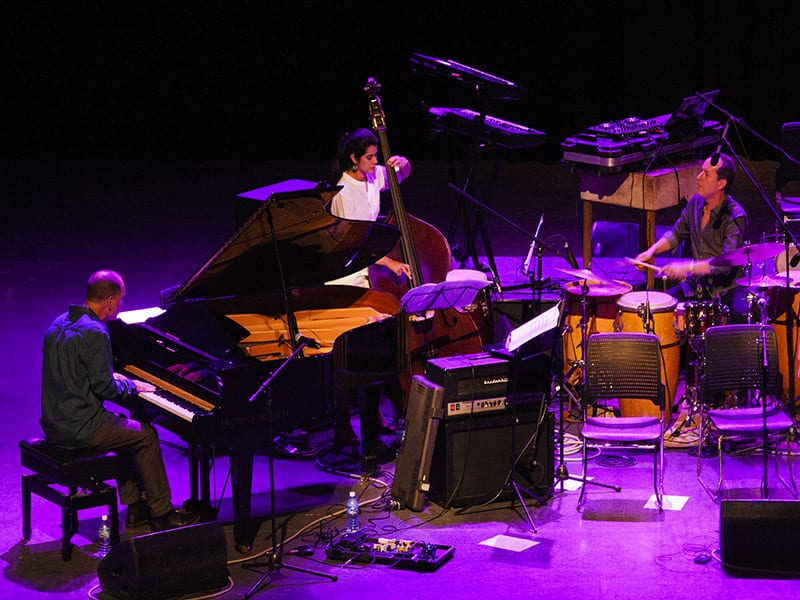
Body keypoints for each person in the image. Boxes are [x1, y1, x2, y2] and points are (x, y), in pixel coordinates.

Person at [41, 270, 201, 532]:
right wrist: (131, 384)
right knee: (146, 436)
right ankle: (162, 513)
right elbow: (106, 389)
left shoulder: (60, 322)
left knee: (124, 429)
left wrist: (108, 373)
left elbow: (75, 371)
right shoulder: (96, 332)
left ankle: (135, 507)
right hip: (79, 429)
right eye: (121, 299)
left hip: (54, 423)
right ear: (110, 301)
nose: (121, 304)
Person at [326, 128, 412, 454]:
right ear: (354, 158)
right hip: (348, 278)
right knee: (355, 357)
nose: (376, 162)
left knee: (375, 352)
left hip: (368, 271)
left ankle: (374, 417)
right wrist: (390, 263)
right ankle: (345, 426)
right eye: (370, 157)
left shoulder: (373, 176)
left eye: (377, 156)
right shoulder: (342, 192)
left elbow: (402, 175)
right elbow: (354, 243)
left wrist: (403, 164)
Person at [635, 152, 749, 321]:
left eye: (706, 174)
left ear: (721, 183)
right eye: (701, 171)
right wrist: (651, 251)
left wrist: (687, 267)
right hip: (696, 285)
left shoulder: (734, 217)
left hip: (724, 294)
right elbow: (676, 234)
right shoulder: (695, 203)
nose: (698, 177)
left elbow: (723, 265)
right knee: (657, 310)